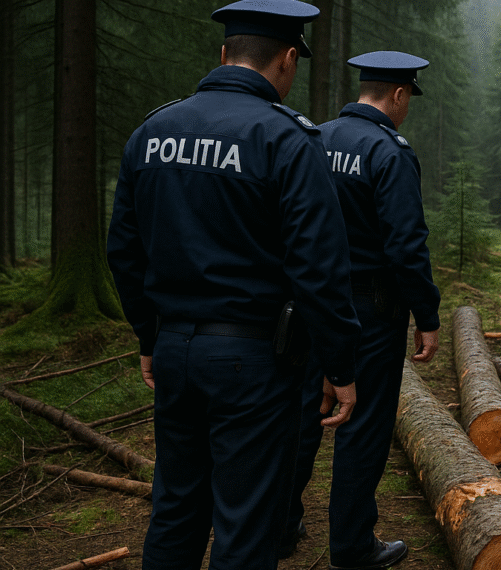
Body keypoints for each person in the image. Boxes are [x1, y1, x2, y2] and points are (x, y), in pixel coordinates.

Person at [105, 1, 361, 569]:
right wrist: (340, 367)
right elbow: (320, 268)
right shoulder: (287, 139)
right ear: (288, 59)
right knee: (248, 522)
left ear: (224, 53)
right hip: (254, 361)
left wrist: (150, 335)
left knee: (175, 508)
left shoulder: (153, 131)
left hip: (175, 350)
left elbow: (123, 250)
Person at [281, 51, 441, 570]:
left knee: (304, 414)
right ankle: (351, 548)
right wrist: (427, 314)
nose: (407, 109)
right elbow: (406, 247)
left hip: (309, 300)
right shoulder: (389, 152)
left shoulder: (314, 138)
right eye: (408, 100)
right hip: (371, 308)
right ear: (397, 95)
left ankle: (281, 525)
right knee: (363, 425)